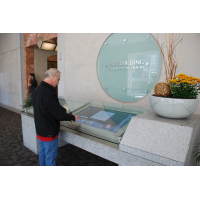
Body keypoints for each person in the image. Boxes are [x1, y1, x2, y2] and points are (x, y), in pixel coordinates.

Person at [32, 68, 79, 166]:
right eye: (58, 79)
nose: (58, 82)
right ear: (53, 76)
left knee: (43, 152)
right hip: (49, 131)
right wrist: (72, 117)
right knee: (50, 155)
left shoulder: (37, 90)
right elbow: (59, 114)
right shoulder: (48, 93)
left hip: (40, 130)